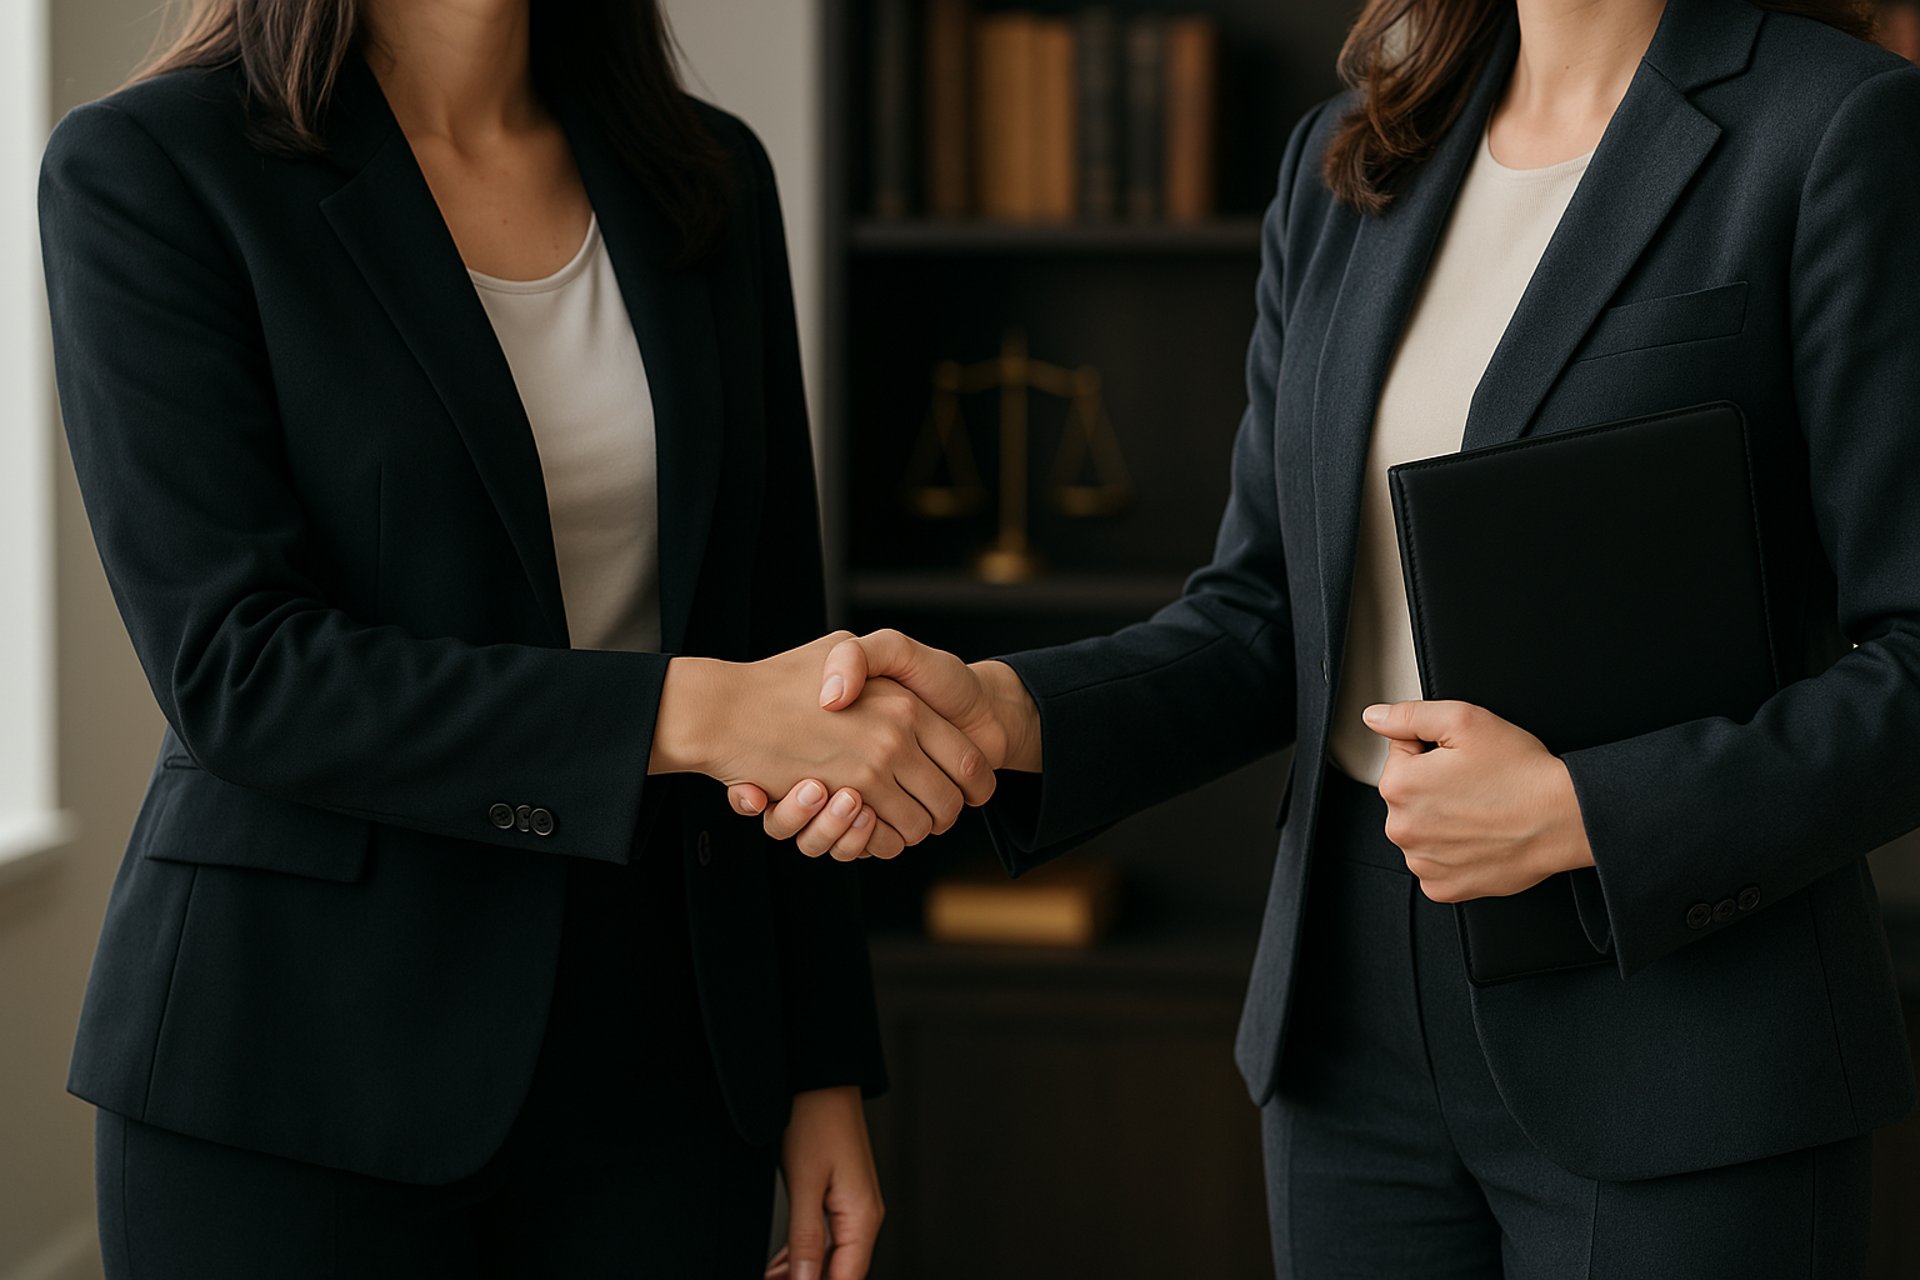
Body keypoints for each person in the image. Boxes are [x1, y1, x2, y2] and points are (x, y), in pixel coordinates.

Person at [736, 0, 1920, 1271]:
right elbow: (1264, 615)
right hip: (1348, 1033)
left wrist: (1588, 808)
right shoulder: (1352, 155)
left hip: (1685, 1031)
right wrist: (1008, 712)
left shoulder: (1838, 125)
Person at [39, 1, 997, 1276]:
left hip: (664, 1053)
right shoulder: (151, 166)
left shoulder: (707, 176)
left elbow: (781, 634)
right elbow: (242, 668)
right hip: (294, 1064)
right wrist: (692, 710)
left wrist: (822, 1063)